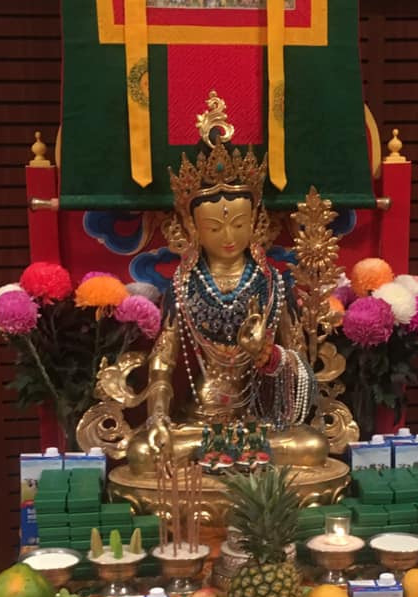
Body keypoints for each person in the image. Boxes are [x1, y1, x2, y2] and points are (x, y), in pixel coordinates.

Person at [125, 91, 327, 475]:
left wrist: (266, 354)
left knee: (311, 446)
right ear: (193, 229)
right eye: (215, 228)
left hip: (259, 419)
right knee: (144, 452)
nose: (229, 236)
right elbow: (163, 362)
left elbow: (299, 365)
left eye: (238, 224)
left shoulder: (273, 285)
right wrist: (158, 418)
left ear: (256, 222)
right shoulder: (183, 286)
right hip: (198, 420)